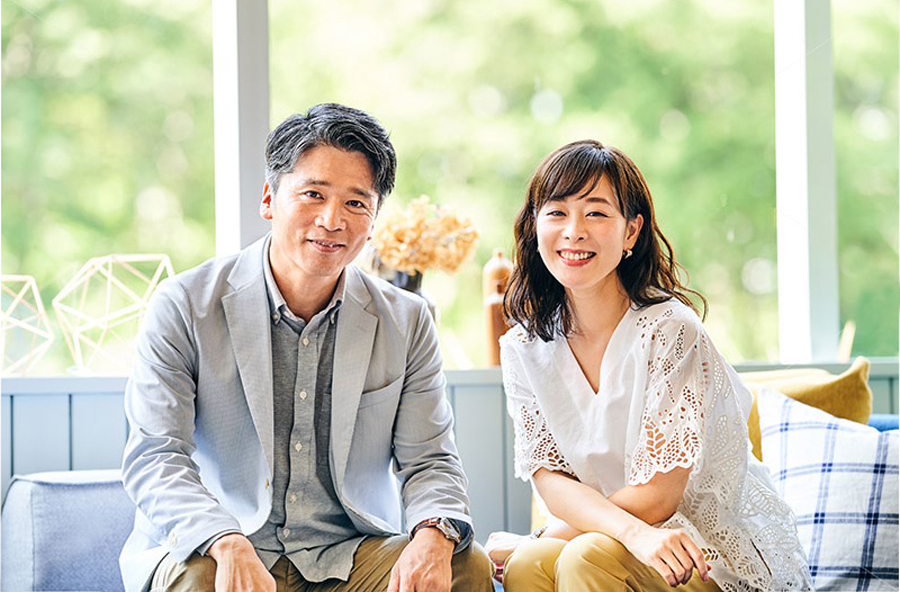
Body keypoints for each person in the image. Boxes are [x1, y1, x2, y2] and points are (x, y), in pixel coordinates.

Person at [120, 103, 492, 592]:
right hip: (224, 545)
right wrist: (223, 540)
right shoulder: (185, 304)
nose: (332, 220)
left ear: (374, 220)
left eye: (356, 203)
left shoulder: (406, 320)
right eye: (313, 194)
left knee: (467, 565)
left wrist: (435, 533)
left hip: (348, 553)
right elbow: (156, 454)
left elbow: (430, 460)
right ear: (269, 199)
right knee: (201, 578)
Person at [485, 140, 812, 591]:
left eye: (596, 213)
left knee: (585, 556)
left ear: (631, 232)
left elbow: (658, 497)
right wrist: (553, 542)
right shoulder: (523, 346)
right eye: (557, 212)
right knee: (529, 564)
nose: (574, 231)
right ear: (534, 225)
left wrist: (546, 536)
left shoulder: (671, 330)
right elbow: (552, 483)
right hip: (613, 536)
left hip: (707, 557)